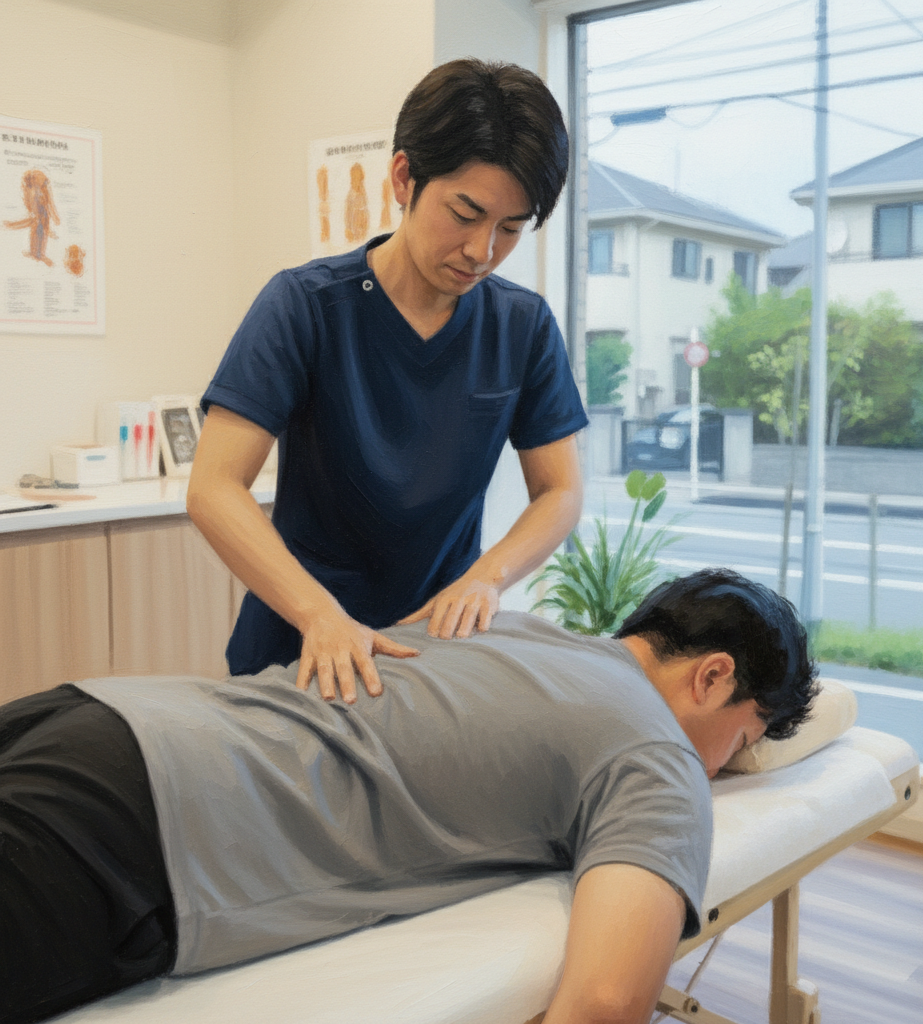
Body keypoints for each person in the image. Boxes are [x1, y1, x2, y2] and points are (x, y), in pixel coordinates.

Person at [0, 569, 817, 1024]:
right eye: (744, 740)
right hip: (146, 824)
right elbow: (604, 1000)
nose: (723, 768)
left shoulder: (495, 622)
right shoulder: (654, 749)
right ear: (712, 676)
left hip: (94, 715)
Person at [187, 59, 587, 702]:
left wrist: (487, 579)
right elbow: (213, 487)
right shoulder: (305, 306)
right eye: (466, 213)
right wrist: (320, 614)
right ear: (404, 177)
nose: (482, 251)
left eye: (510, 229)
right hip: (296, 653)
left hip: (432, 654)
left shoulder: (522, 325)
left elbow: (560, 489)